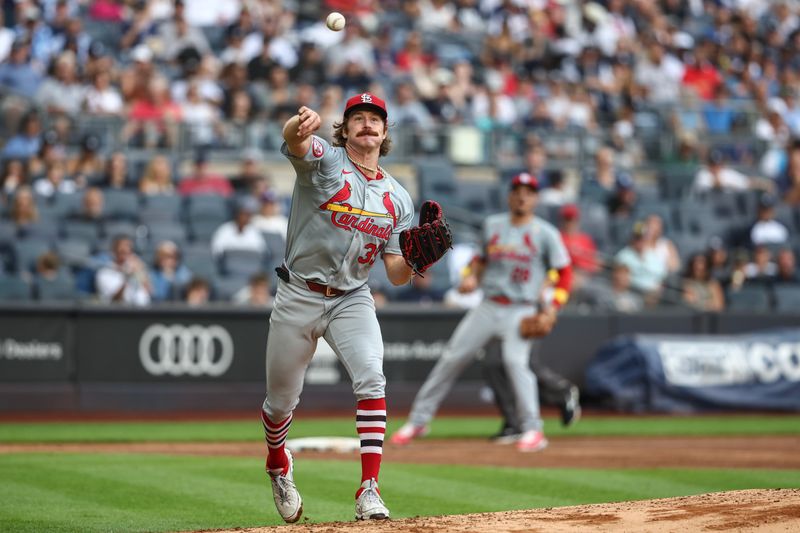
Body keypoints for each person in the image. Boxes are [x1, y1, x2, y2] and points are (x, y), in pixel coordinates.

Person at [261, 94, 422, 524]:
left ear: (385, 133)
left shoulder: (398, 199)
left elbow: (395, 274)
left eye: (375, 119)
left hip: (352, 296)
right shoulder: (327, 162)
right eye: (358, 119)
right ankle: (278, 462)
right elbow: (296, 142)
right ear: (345, 129)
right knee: (280, 402)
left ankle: (369, 488)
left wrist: (417, 259)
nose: (367, 125)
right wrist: (299, 125)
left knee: (372, 376)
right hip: (299, 293)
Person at [391, 173, 573, 452]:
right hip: (489, 305)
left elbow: (565, 273)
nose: (523, 196)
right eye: (518, 191)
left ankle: (533, 429)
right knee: (452, 357)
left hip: (521, 308)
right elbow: (478, 261)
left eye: (529, 192)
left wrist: (554, 306)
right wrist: (470, 277)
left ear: (535, 198)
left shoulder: (545, 232)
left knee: (515, 363)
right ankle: (418, 421)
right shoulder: (493, 224)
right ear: (510, 196)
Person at [95, 235, 152, 306]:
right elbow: (114, 300)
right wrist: (127, 277)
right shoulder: (104, 273)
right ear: (114, 251)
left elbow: (150, 291)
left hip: (143, 312)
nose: (127, 251)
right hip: (120, 314)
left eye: (129, 249)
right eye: (122, 251)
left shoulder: (136, 268)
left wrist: (140, 272)